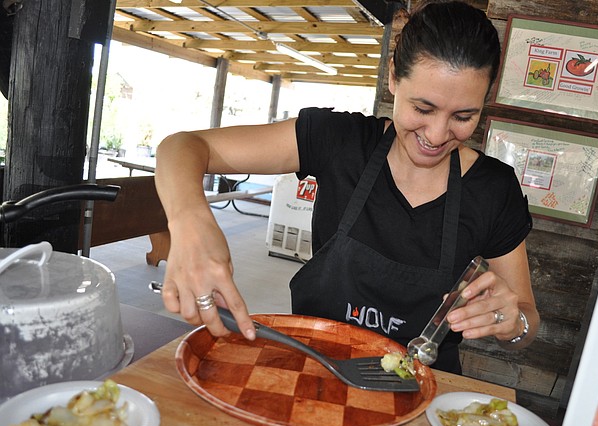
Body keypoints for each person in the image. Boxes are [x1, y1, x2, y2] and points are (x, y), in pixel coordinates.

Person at [154, 0, 540, 374]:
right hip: (311, 370)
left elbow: (526, 323)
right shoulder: (337, 140)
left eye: (463, 116)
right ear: (393, 77)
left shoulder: (494, 189)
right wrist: (190, 223)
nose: (437, 135)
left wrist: (512, 323)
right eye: (422, 109)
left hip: (423, 390)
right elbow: (182, 146)